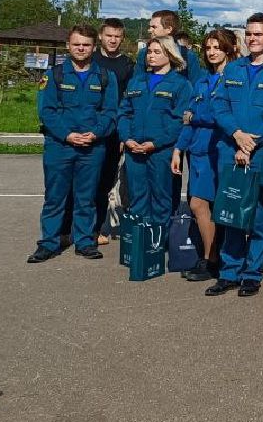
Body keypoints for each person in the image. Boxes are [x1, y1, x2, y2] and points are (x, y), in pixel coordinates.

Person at [206, 14, 263, 298]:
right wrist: (236, 136)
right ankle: (229, 272)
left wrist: (250, 145)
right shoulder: (233, 70)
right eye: (249, 34)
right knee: (230, 212)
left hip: (260, 153)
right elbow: (219, 106)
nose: (253, 39)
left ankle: (251, 274)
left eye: (259, 34)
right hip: (230, 150)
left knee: (259, 218)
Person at [29, 25, 120, 263]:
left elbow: (110, 112)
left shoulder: (105, 77)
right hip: (60, 146)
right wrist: (67, 135)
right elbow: (46, 112)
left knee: (86, 197)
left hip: (92, 148)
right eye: (76, 44)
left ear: (93, 47)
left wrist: (96, 134)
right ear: (68, 46)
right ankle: (49, 243)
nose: (81, 48)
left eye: (86, 45)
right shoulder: (54, 75)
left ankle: (84, 242)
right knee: (55, 197)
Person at [172, 28, 239, 281]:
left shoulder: (233, 79)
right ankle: (211, 258)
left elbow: (218, 117)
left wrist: (197, 117)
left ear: (229, 49)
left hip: (222, 150)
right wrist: (179, 148)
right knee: (199, 204)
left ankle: (222, 258)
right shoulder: (201, 81)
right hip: (199, 152)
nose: (211, 52)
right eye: (208, 48)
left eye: (217, 47)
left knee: (223, 208)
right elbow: (187, 119)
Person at [118, 37, 190, 226]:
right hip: (134, 150)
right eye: (149, 52)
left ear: (170, 55)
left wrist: (156, 143)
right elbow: (124, 113)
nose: (151, 56)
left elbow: (179, 121)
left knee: (161, 200)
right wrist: (126, 138)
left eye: (157, 52)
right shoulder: (136, 82)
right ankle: (140, 246)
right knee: (137, 199)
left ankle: (157, 247)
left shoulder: (181, 85)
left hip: (161, 151)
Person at [93, 17, 134, 245]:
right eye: (109, 35)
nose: (113, 40)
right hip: (90, 129)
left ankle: (101, 227)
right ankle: (77, 227)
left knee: (108, 181)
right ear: (101, 36)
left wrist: (122, 133)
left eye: (117, 37)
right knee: (86, 182)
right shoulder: (91, 60)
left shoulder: (128, 66)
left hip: (114, 132)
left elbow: (128, 103)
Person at [145, 9, 203, 83]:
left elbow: (196, 86)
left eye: (154, 27)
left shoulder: (188, 55)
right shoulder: (144, 53)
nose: (149, 30)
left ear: (169, 29)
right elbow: (137, 83)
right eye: (150, 27)